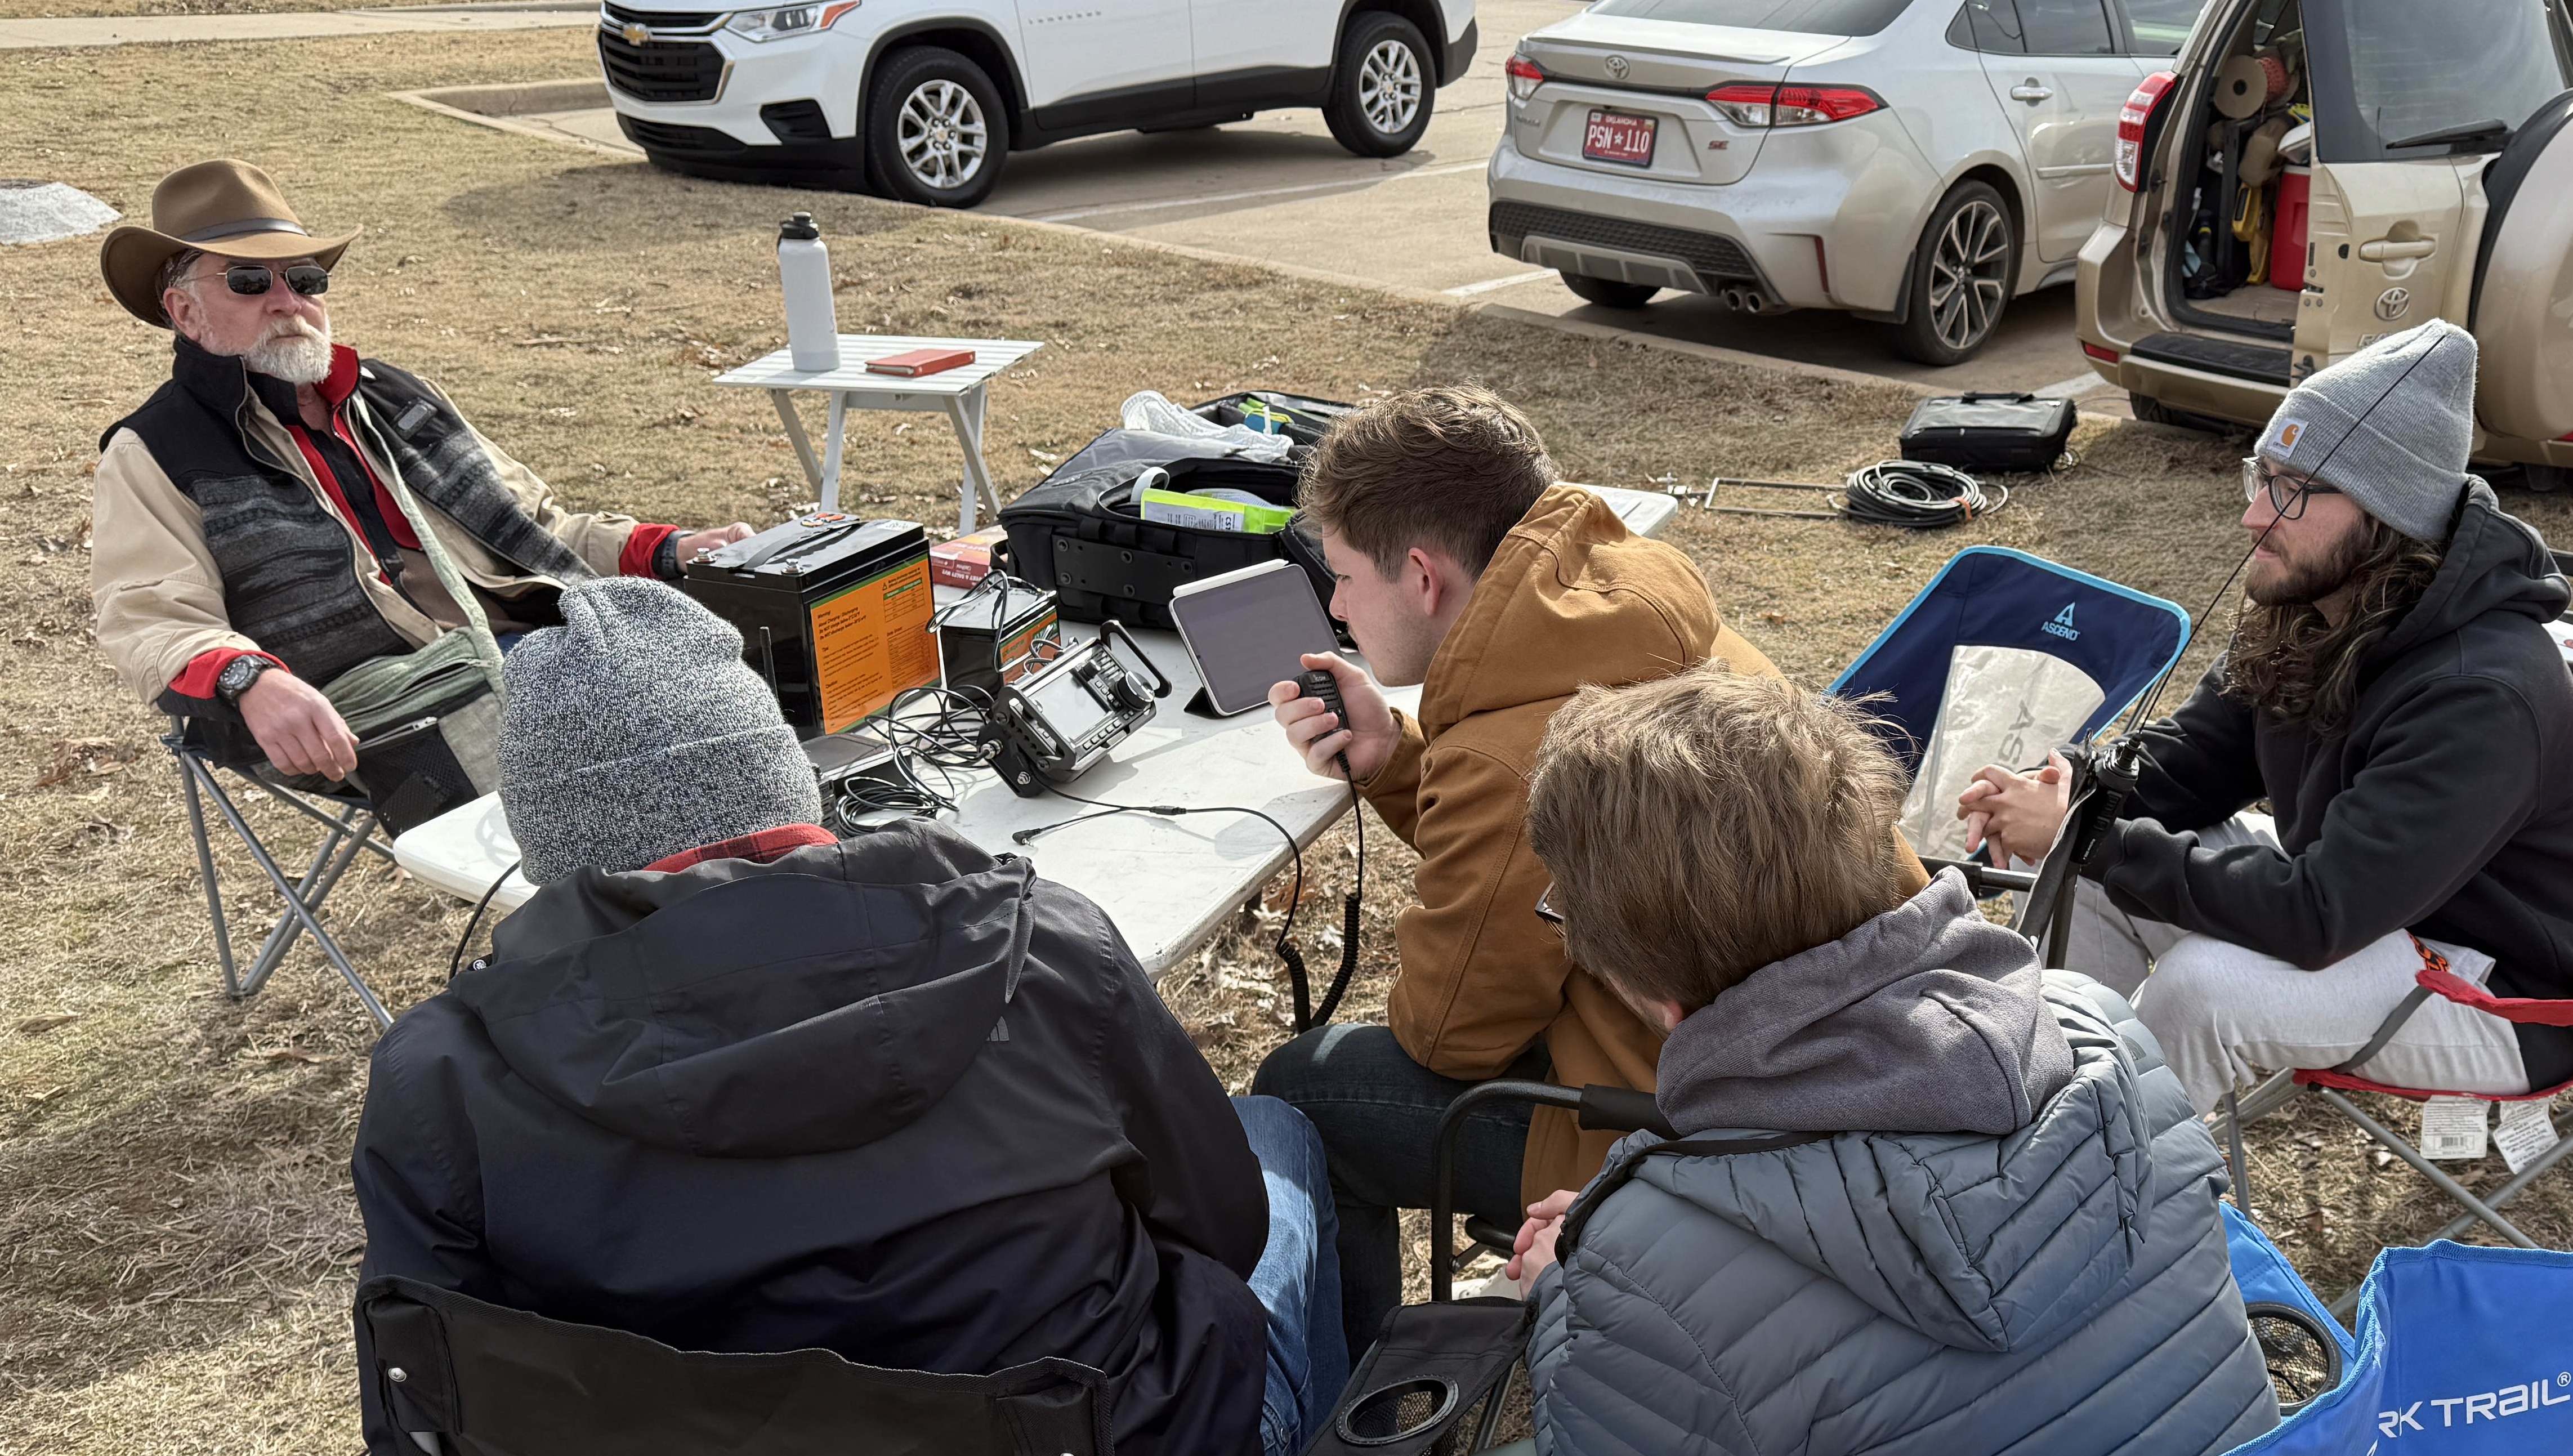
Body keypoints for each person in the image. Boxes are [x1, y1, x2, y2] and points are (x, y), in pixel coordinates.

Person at [349, 578, 1346, 1456]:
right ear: (791, 784)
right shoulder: (1041, 946)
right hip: (1103, 1429)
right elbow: (1224, 1225)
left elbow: (429, 1399)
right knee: (1277, 1130)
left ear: (550, 846)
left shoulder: (438, 1078)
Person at [1247, 384, 1926, 1357]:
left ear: (1425, 577)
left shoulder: (1512, 747)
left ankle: (1356, 1393)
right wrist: (1403, 764)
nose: (1337, 605)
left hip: (1697, 1121)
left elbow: (1450, 1035)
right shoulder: (1633, 616)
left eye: (1345, 575)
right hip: (1854, 1070)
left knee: (1307, 1085)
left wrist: (1445, 784)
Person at [1511, 665, 2278, 1456]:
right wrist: (1648, 1251)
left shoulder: (1633, 1263)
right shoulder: (2101, 1024)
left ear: (1650, 986)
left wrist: (1568, 1291)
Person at [1957, 320, 2573, 1114]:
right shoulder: (2317, 604)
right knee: (2092, 867)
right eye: (2262, 475)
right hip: (2369, 904)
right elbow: (2190, 764)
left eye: (2292, 488)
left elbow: (2318, 913)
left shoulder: (2484, 689)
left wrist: (2097, 836)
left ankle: (2083, 1203)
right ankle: (2028, 1103)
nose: (2255, 516)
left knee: (2200, 988)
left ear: (2386, 514)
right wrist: (2070, 791)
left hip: (2502, 982)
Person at [91, 159, 751, 800]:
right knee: (619, 742)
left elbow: (538, 531)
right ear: (184, 311)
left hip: (528, 655)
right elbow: (150, 617)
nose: (288, 302)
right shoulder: (157, 448)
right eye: (248, 282)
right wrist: (248, 679)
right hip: (362, 703)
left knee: (727, 661)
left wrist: (669, 550)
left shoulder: (394, 395)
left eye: (305, 278)